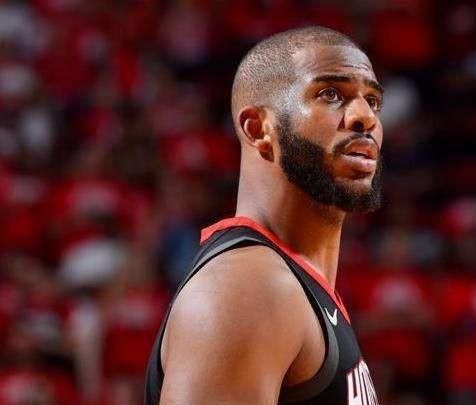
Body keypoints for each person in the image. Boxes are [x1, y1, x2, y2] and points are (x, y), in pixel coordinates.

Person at [144, 26, 384, 405]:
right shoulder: (248, 289)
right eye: (330, 94)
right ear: (258, 129)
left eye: (373, 101)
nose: (364, 117)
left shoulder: (292, 285)